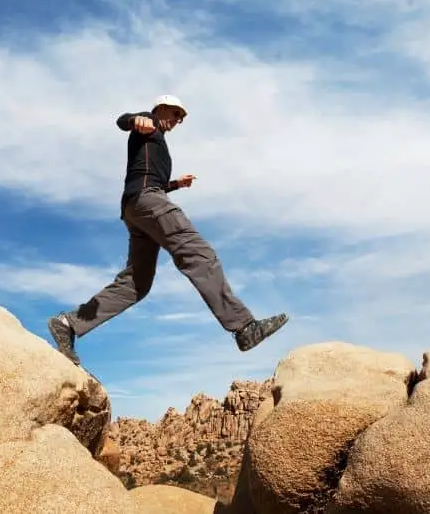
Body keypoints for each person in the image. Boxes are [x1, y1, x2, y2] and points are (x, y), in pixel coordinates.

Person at [47, 94, 288, 366]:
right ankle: (244, 328)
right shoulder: (148, 122)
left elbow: (149, 178)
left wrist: (176, 185)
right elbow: (122, 121)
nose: (178, 121)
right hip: (148, 201)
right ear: (161, 108)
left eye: (181, 118)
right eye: (175, 114)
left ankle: (68, 323)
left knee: (136, 284)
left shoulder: (156, 143)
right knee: (197, 253)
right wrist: (134, 120)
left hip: (136, 206)